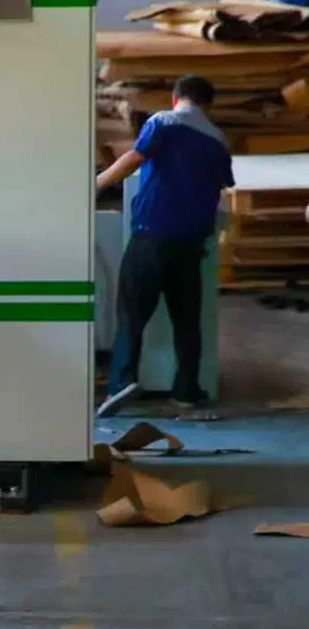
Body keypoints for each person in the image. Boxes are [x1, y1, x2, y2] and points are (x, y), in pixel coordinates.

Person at [94, 74, 233, 416]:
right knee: (186, 320)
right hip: (191, 243)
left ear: (175, 97)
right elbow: (222, 188)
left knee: (132, 314)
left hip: (152, 235)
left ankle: (122, 383)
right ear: (208, 104)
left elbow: (135, 158)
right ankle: (187, 391)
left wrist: (96, 184)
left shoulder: (163, 121)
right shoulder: (218, 139)